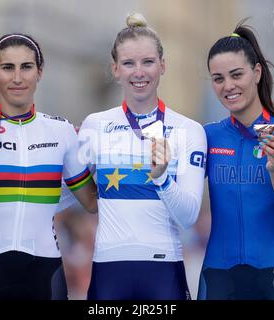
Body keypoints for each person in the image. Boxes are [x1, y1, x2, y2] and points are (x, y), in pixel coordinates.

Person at [0, 33, 98, 300]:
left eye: (26, 67)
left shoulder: (62, 131)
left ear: (40, 72)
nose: (18, 78)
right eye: (8, 67)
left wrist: (105, 158)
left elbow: (91, 203)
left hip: (45, 269)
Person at [78, 13, 207, 300]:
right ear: (115, 69)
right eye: (128, 63)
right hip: (109, 269)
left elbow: (188, 217)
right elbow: (68, 191)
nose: (139, 72)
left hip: (163, 270)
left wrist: (162, 178)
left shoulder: (188, 130)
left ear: (163, 66)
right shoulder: (94, 125)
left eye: (148, 62)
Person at [198, 23, 274, 300]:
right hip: (219, 276)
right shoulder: (207, 136)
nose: (228, 86)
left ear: (257, 72)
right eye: (218, 78)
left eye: (236, 74)